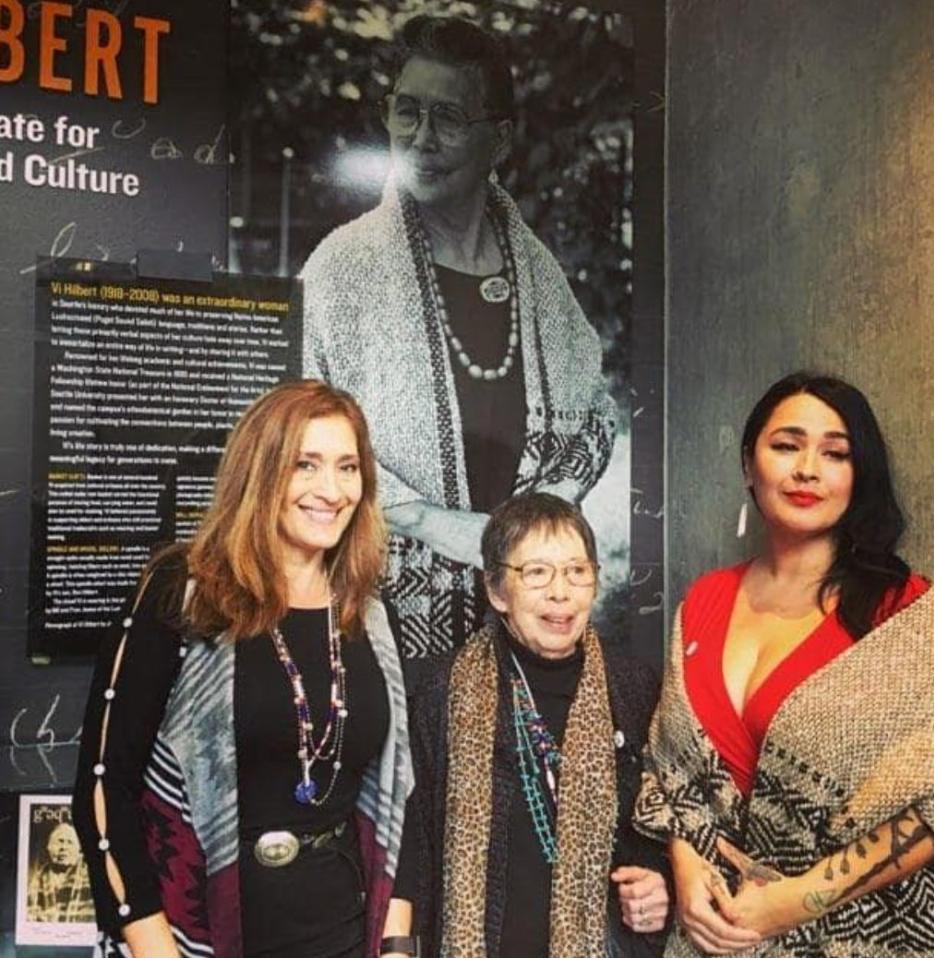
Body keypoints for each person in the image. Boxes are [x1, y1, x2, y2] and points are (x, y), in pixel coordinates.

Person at [301, 15, 617, 663]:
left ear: (498, 140)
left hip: (525, 619)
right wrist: (424, 518)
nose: (420, 138)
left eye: (447, 118)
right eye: (406, 112)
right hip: (376, 620)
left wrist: (536, 514)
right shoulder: (341, 268)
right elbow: (294, 434)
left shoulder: (539, 275)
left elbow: (597, 417)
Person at [72, 381, 414, 958]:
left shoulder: (373, 614)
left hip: (348, 933)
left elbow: (401, 791)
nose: (331, 490)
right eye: (305, 464)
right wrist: (156, 949)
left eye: (348, 467)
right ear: (260, 471)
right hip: (199, 935)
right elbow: (105, 788)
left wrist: (397, 945)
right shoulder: (183, 591)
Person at [635, 372, 934, 955]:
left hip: (860, 938)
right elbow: (668, 771)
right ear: (749, 464)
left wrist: (797, 900)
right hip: (714, 940)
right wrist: (686, 869)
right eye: (786, 445)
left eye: (835, 453)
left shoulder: (903, 611)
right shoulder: (703, 602)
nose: (807, 468)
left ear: (858, 478)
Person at [395, 492, 670, 956]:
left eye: (577, 572)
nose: (560, 592)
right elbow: (415, 841)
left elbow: (660, 828)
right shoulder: (441, 689)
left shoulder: (632, 687)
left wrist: (660, 886)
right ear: (498, 590)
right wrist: (397, 947)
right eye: (537, 573)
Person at [27, 821, 95, 924]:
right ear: (49, 847)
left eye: (69, 842)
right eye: (60, 841)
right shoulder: (38, 877)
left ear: (79, 849)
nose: (64, 848)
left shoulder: (91, 876)